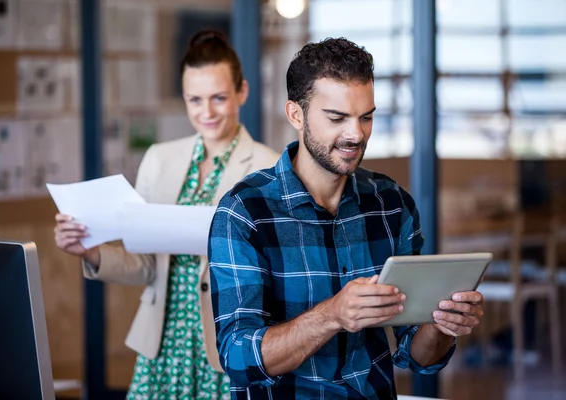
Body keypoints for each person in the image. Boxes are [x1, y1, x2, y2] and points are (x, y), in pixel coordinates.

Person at [208, 37, 485, 399]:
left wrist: (443, 326)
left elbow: (416, 355)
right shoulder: (244, 212)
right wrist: (332, 315)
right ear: (296, 114)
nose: (356, 133)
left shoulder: (391, 204)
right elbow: (237, 356)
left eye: (366, 117)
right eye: (337, 118)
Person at [53, 29, 279, 399]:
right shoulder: (160, 159)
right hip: (163, 346)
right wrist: (89, 252)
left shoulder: (269, 168)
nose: (206, 112)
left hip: (229, 345)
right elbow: (146, 264)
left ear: (242, 92)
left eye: (219, 98)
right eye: (195, 99)